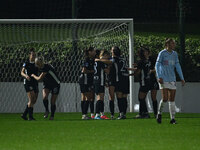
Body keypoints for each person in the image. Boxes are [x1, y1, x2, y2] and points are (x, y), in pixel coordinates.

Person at [155, 38, 185, 124]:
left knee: (172, 99)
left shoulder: (175, 54)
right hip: (163, 78)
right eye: (172, 43)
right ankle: (159, 114)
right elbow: (157, 65)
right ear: (167, 44)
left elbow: (177, 66)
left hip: (172, 78)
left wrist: (182, 78)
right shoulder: (162, 53)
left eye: (174, 43)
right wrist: (159, 76)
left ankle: (172, 119)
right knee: (164, 98)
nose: (174, 45)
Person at [129, 47, 159, 119]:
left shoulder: (144, 61)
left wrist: (132, 74)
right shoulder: (147, 60)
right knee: (151, 98)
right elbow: (141, 69)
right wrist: (131, 70)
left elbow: (139, 71)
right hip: (151, 81)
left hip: (145, 81)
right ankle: (155, 114)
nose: (145, 53)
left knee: (142, 97)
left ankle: (144, 113)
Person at [111, 46, 129, 120]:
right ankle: (124, 113)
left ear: (113, 52)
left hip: (119, 78)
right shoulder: (123, 59)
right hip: (126, 78)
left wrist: (98, 59)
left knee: (119, 96)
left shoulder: (114, 59)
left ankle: (121, 114)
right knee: (124, 96)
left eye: (111, 50)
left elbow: (109, 62)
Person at [21, 49, 38, 121]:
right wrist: (26, 76)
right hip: (28, 82)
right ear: (29, 55)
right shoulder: (26, 63)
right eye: (32, 55)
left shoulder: (37, 63)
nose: (34, 56)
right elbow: (22, 72)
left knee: (34, 100)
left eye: (35, 55)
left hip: (35, 82)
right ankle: (30, 117)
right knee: (31, 99)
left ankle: (24, 114)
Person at [79, 47, 96, 120]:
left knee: (84, 97)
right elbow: (84, 70)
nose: (95, 53)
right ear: (90, 52)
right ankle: (84, 115)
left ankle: (84, 114)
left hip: (86, 79)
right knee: (88, 97)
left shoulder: (91, 60)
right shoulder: (87, 60)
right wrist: (92, 71)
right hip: (85, 79)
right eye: (93, 51)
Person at [93, 50, 110, 120]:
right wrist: (109, 67)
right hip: (99, 81)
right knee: (100, 98)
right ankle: (97, 114)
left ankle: (102, 114)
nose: (108, 57)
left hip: (96, 80)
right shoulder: (101, 62)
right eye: (106, 55)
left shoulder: (96, 61)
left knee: (101, 97)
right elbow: (107, 71)